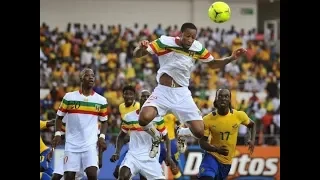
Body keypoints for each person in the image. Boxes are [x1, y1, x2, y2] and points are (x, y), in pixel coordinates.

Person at [133, 22, 247, 157]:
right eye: (187, 36)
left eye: (193, 37)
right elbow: (138, 54)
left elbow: (213, 64)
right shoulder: (164, 42)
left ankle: (181, 133)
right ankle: (156, 136)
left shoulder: (197, 48)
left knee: (200, 132)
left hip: (182, 93)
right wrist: (140, 48)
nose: (190, 40)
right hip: (163, 91)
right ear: (180, 34)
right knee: (143, 119)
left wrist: (231, 58)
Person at [51, 68, 108, 180]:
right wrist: (57, 133)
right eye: (87, 75)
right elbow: (59, 117)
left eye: (92, 75)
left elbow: (104, 121)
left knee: (92, 174)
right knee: (69, 177)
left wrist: (101, 137)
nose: (91, 77)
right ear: (81, 78)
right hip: (72, 145)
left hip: (90, 145)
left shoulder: (101, 100)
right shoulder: (69, 97)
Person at [110, 90, 170, 180]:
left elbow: (166, 137)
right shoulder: (129, 117)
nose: (146, 98)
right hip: (133, 156)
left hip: (150, 158)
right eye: (143, 96)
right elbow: (121, 136)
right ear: (139, 98)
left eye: (148, 96)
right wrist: (117, 152)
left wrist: (168, 155)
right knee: (122, 176)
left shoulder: (158, 118)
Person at [197, 88, 256, 180]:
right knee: (206, 177)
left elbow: (252, 125)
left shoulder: (239, 115)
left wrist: (251, 139)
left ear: (229, 100)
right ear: (216, 99)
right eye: (220, 96)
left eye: (226, 96)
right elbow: (202, 143)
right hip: (212, 156)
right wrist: (216, 149)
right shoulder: (207, 119)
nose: (223, 98)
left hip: (226, 162)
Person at [112, 85, 141, 179]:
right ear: (123, 95)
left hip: (142, 144)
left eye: (131, 94)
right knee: (118, 173)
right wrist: (117, 151)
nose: (128, 96)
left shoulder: (138, 107)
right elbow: (125, 125)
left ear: (134, 96)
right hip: (131, 144)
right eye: (126, 94)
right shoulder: (121, 107)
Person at [159, 113, 183, 179]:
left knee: (175, 167)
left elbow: (179, 125)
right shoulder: (154, 110)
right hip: (158, 143)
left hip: (171, 141)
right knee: (155, 166)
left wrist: (180, 140)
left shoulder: (172, 110)